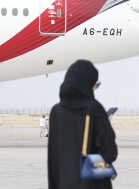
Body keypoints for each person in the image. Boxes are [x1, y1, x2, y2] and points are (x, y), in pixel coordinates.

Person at [48, 60, 117, 189]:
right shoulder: (94, 109)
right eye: (95, 85)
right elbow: (110, 152)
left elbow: (53, 160)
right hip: (93, 184)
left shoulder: (56, 112)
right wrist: (99, 166)